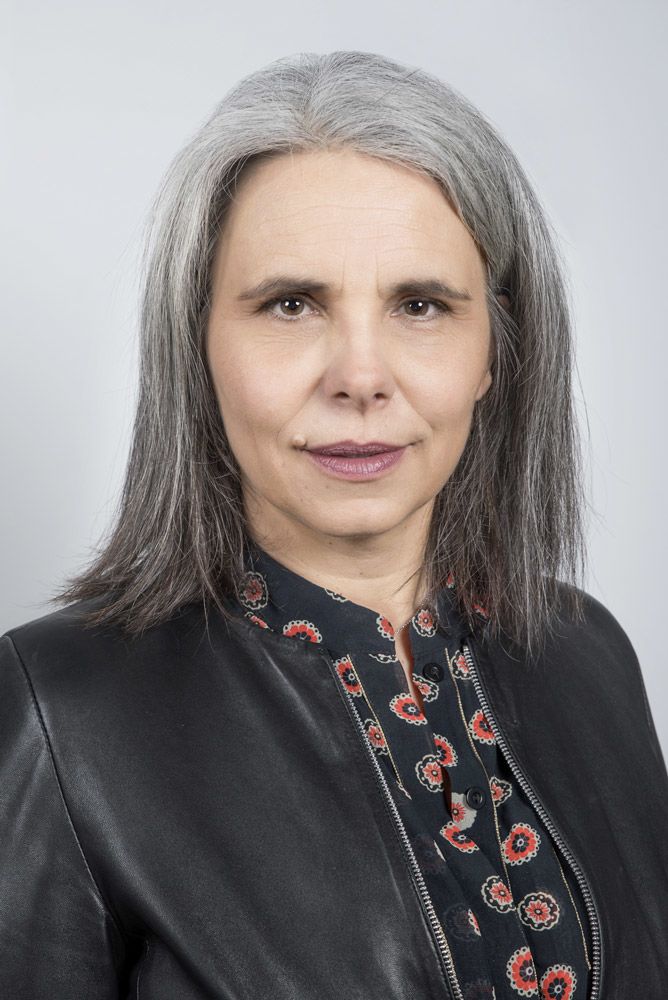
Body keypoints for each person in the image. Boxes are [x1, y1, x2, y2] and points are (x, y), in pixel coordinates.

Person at [1, 50, 666, 1000]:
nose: (360, 377)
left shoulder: (587, 652)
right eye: (291, 304)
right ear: (198, 346)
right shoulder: (59, 712)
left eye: (421, 305)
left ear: (496, 350)